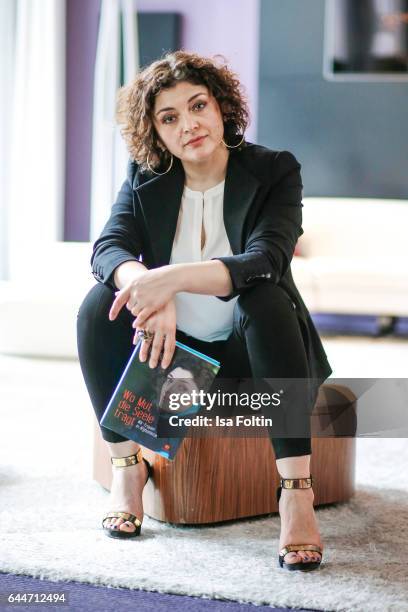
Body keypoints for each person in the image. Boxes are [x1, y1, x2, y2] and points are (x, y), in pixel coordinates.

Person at [76, 50, 333, 570]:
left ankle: (296, 492)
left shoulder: (274, 170)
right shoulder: (146, 176)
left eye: (198, 105)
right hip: (173, 360)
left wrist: (167, 280)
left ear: (221, 107)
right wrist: (146, 290)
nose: (188, 124)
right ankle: (127, 466)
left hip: (254, 358)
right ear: (155, 131)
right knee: (98, 304)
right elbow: (108, 249)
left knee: (265, 299)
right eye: (169, 117)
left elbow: (265, 260)